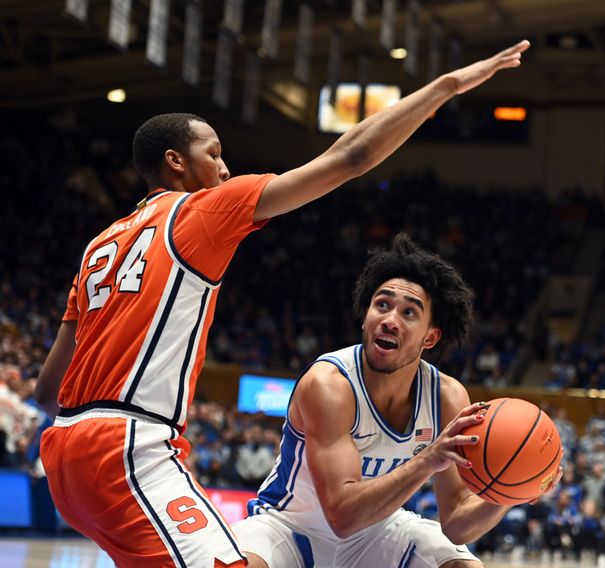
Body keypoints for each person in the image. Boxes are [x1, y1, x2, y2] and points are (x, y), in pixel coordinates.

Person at [33, 40, 532, 568]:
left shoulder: (100, 246)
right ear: (175, 162)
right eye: (215, 154)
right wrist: (447, 87)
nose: (225, 170)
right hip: (129, 445)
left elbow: (48, 389)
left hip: (64, 451)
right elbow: (352, 156)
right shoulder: (199, 211)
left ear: (431, 334)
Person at [233, 234, 560, 567]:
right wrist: (427, 460)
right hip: (289, 527)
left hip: (377, 532)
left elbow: (458, 524)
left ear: (430, 336)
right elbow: (341, 515)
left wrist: (508, 492)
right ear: (366, 317)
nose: (390, 319)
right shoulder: (329, 385)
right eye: (382, 305)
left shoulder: (447, 397)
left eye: (409, 313)